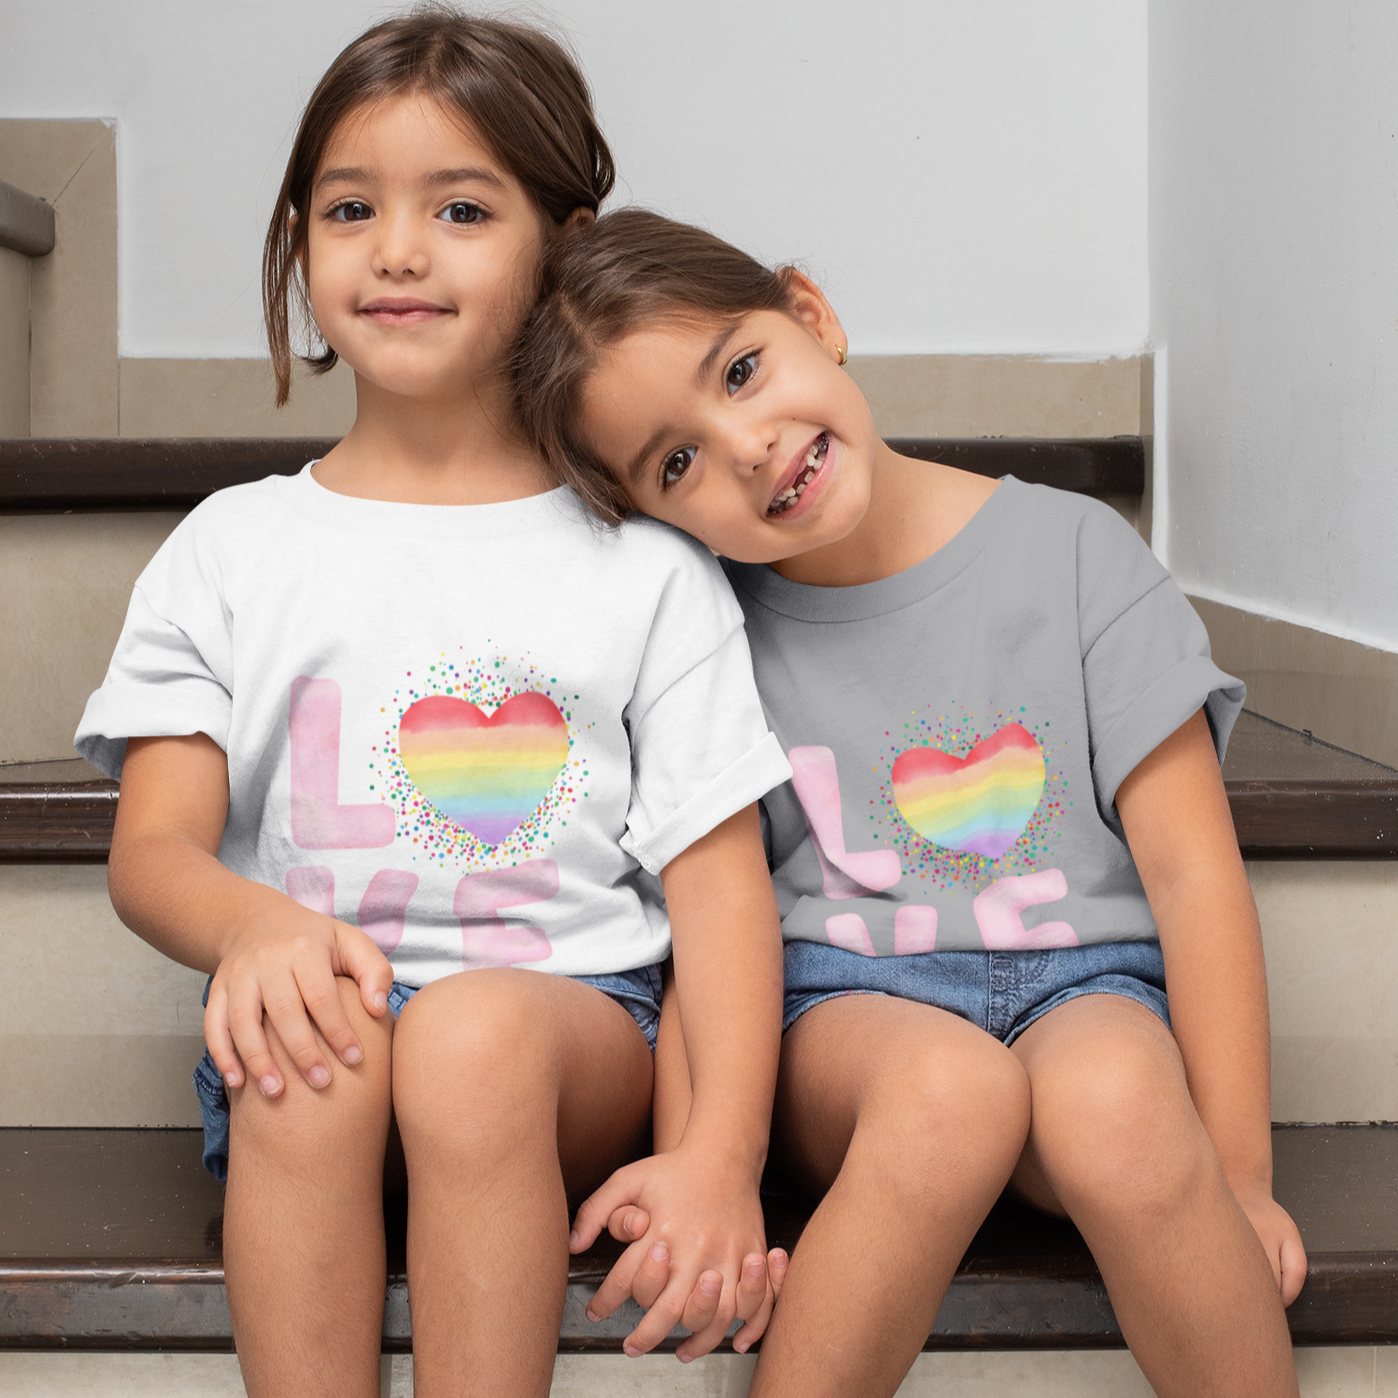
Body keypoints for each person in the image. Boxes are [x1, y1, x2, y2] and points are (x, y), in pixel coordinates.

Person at [75, 27, 790, 1397]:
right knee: (316, 1049)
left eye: (460, 211)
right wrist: (254, 927)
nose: (397, 252)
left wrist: (719, 1157)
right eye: (351, 210)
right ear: (301, 239)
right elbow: (152, 852)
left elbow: (719, 895)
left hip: (569, 1031)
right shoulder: (232, 547)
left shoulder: (645, 569)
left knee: (470, 1038)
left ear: (561, 249)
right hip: (319, 1035)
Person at [512, 208, 1308, 1398]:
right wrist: (703, 1164)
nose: (748, 447)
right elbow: (707, 923)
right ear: (652, 518)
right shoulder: (706, 633)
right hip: (842, 1010)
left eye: (742, 371)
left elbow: (1195, 876)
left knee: (1122, 1104)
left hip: (1083, 983)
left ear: (812, 315)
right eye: (676, 463)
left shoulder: (1078, 553)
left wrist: (1237, 1175)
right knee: (949, 1093)